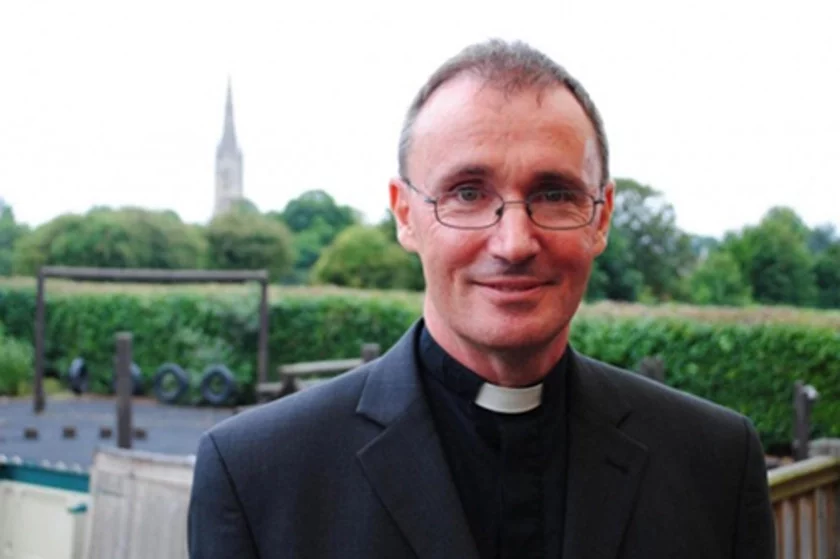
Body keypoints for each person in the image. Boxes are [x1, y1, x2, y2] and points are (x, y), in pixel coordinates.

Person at [187, 39, 775, 558]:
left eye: (554, 194)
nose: (514, 243)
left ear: (601, 217)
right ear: (405, 214)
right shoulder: (257, 476)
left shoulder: (716, 463)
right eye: (467, 193)